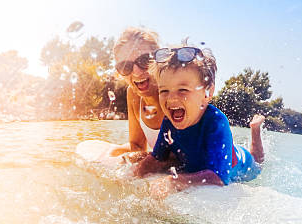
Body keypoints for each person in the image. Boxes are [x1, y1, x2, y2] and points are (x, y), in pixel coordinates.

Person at [132, 45, 265, 199]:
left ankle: (255, 129)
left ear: (207, 93)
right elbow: (157, 158)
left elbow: (219, 178)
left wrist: (176, 181)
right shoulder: (168, 121)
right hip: (215, 153)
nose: (171, 98)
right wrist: (134, 174)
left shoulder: (216, 122)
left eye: (182, 90)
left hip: (243, 163)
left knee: (258, 161)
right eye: (164, 91)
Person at [110, 27, 165, 160]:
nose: (136, 72)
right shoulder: (133, 95)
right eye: (125, 66)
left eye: (145, 60)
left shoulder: (173, 91)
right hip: (157, 155)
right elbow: (137, 145)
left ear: (159, 59)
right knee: (115, 153)